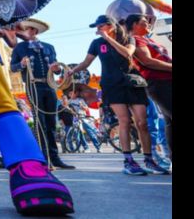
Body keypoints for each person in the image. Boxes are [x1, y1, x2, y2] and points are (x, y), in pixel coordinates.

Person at [68, 15, 166, 174]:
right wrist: (72, 71)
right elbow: (86, 63)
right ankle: (128, 161)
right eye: (97, 27)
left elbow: (127, 54)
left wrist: (108, 39)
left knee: (142, 122)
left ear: (110, 26)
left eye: (101, 26)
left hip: (132, 83)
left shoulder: (128, 39)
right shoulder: (97, 43)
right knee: (124, 121)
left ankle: (149, 160)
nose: (98, 30)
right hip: (112, 85)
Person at [10, 19, 74, 169]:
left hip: (49, 86)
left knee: (52, 122)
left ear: (35, 31)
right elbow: (13, 68)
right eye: (25, 30)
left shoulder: (49, 47)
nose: (26, 32)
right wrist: (22, 65)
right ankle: (43, 157)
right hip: (33, 86)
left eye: (29, 30)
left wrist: (57, 69)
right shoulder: (20, 48)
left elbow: (56, 69)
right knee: (40, 122)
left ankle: (55, 157)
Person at [126, 14, 172, 161]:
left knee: (169, 121)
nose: (148, 24)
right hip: (158, 83)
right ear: (134, 25)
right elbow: (147, 61)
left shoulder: (148, 39)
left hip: (167, 80)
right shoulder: (136, 40)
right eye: (144, 22)